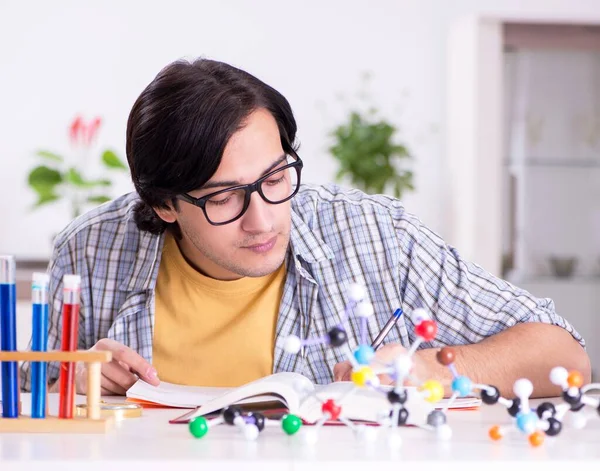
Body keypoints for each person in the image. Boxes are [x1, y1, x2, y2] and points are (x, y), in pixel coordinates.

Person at [19, 58, 590, 398]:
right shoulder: (92, 250)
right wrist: (72, 383)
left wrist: (424, 368)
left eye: (275, 177)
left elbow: (563, 354)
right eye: (222, 197)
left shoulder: (375, 234)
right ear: (165, 204)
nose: (263, 219)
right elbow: (25, 406)